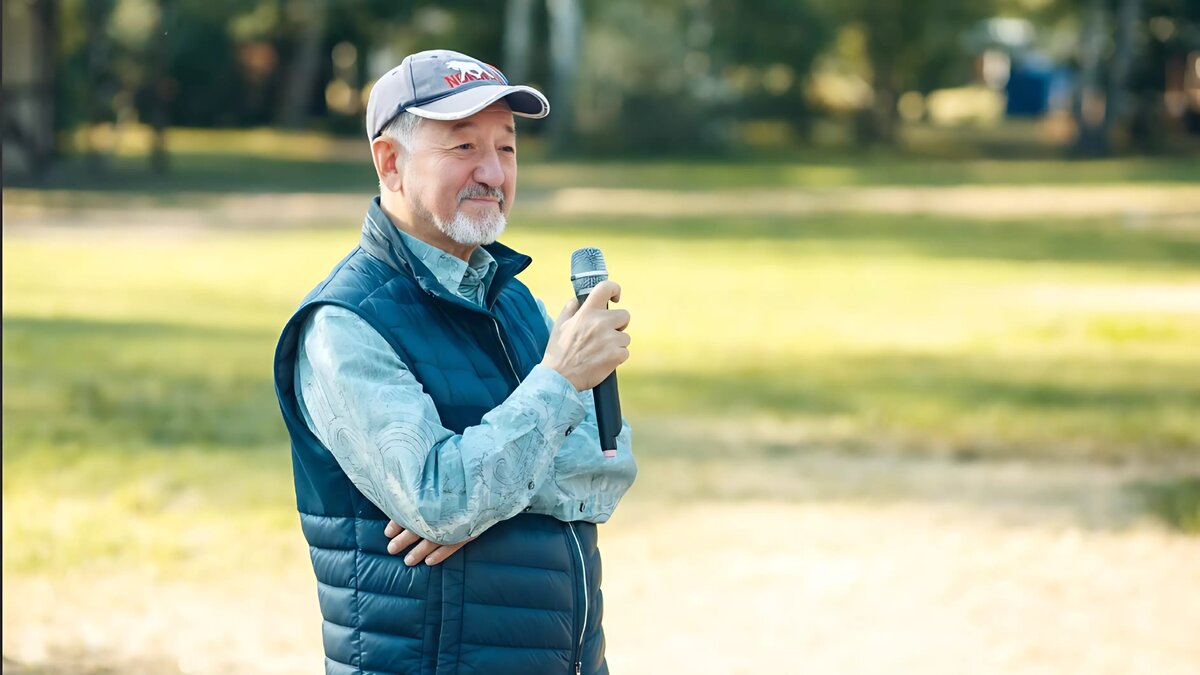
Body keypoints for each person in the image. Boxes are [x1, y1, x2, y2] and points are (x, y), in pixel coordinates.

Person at [271, 49, 637, 675]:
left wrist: (483, 499)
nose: (492, 172)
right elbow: (440, 500)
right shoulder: (344, 326)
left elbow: (607, 472)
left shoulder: (514, 300)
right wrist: (556, 383)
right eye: (462, 147)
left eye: (507, 147)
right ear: (391, 163)